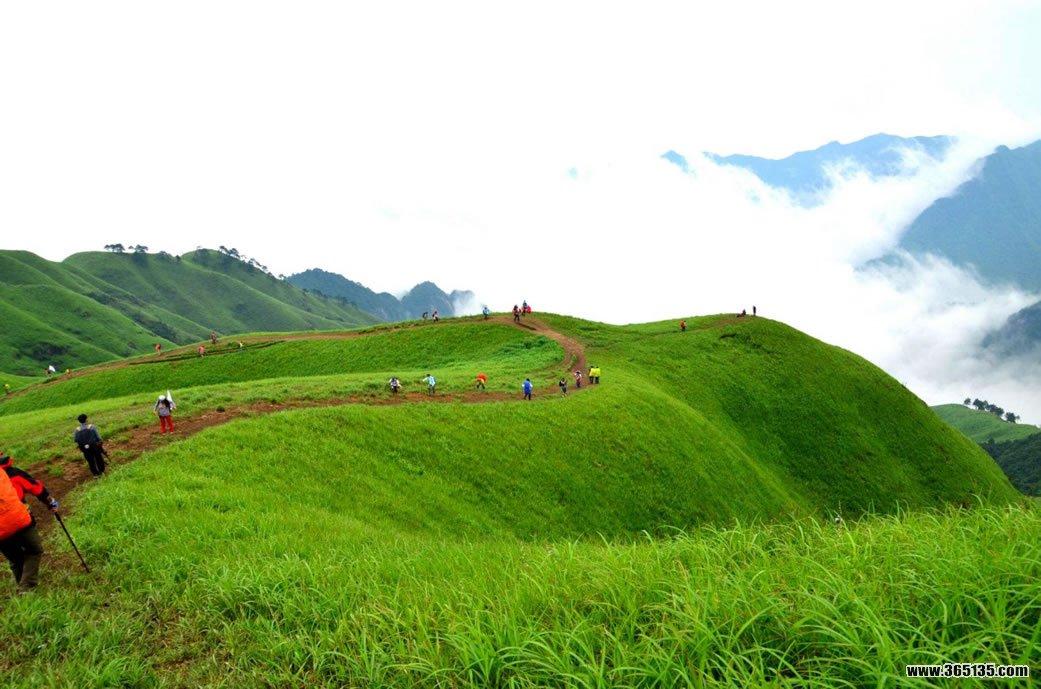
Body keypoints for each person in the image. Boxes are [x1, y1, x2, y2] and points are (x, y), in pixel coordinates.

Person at [0, 453, 60, 594]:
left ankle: (24, 590)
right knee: (34, 549)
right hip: (20, 520)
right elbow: (36, 488)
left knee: (15, 559)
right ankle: (26, 587)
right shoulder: (12, 473)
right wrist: (51, 503)